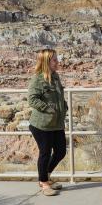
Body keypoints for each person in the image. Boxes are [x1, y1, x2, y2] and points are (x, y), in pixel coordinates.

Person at [27, 48, 68, 196]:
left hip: (56, 123)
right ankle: (43, 182)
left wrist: (64, 105)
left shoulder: (55, 76)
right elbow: (32, 99)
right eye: (55, 60)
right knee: (45, 153)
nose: (58, 62)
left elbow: (58, 96)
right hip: (42, 124)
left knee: (61, 151)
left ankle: (46, 175)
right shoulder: (38, 79)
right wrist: (48, 108)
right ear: (46, 62)